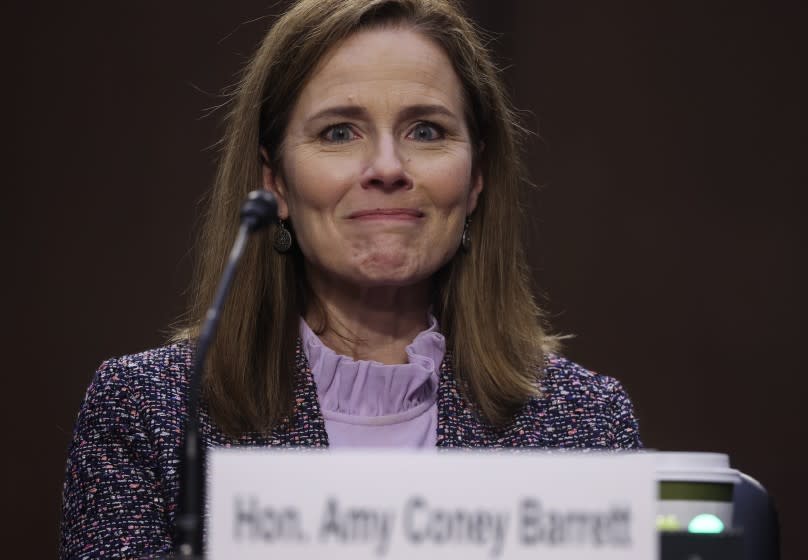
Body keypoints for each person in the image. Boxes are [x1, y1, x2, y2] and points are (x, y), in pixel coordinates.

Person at [60, 0, 642, 557]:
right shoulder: (150, 411)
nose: (387, 167)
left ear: (476, 178)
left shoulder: (584, 420)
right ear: (276, 183)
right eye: (340, 131)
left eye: (426, 131)